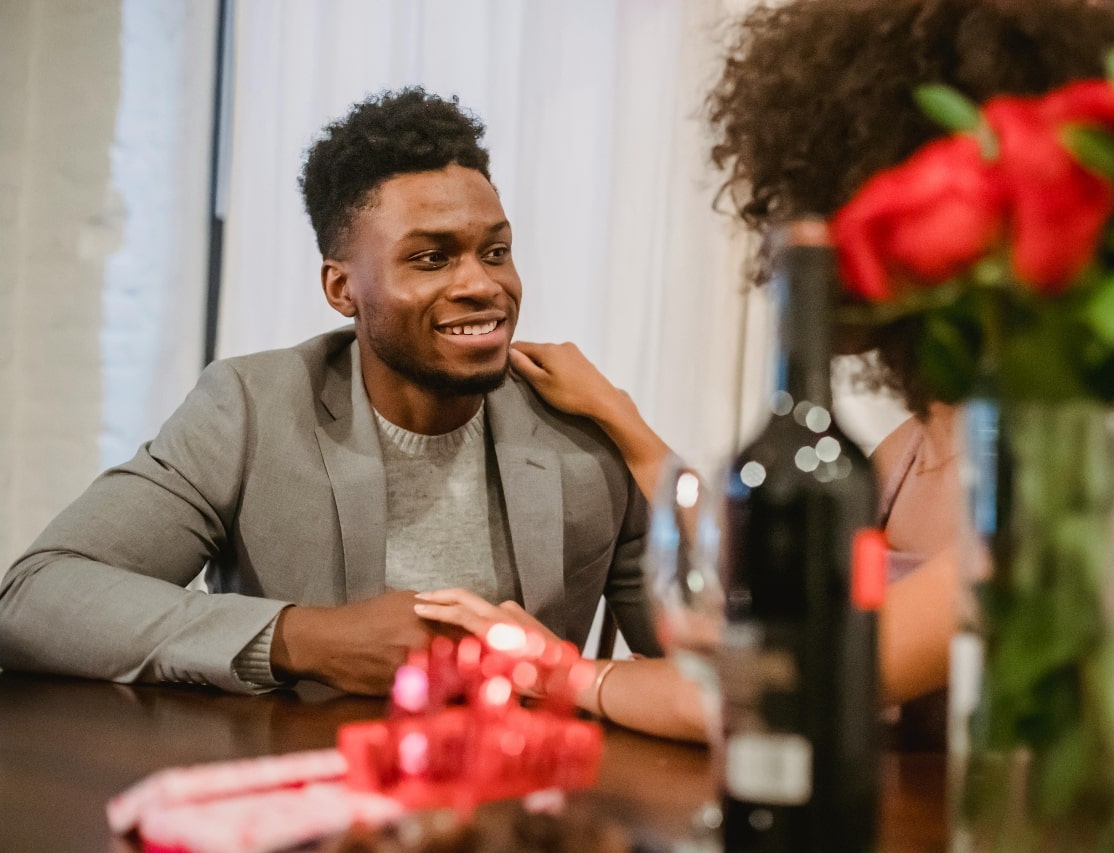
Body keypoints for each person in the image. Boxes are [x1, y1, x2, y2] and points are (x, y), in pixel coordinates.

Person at [420, 0, 1114, 743]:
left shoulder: (1079, 476)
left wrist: (561, 666)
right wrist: (623, 419)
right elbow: (773, 572)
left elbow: (799, 679)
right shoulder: (912, 451)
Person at [0, 89, 660, 696]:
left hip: (523, 808)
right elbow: (33, 597)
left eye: (495, 252)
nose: (483, 284)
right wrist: (309, 638)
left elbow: (724, 659)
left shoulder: (582, 428)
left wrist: (635, 432)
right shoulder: (249, 409)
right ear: (341, 288)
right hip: (310, 794)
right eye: (431, 258)